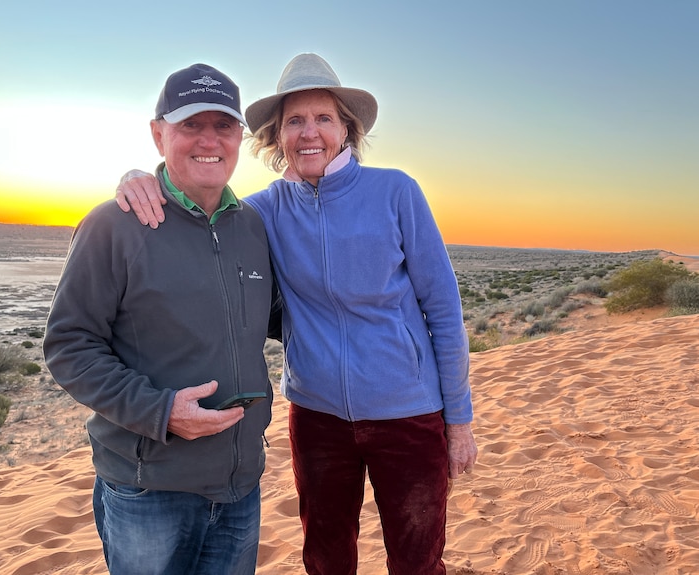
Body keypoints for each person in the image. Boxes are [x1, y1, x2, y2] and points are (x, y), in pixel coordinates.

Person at [116, 53, 478, 575]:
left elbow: (444, 311)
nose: (310, 133)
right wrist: (135, 177)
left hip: (409, 412)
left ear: (346, 130)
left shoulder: (396, 192)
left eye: (323, 118)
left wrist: (459, 421)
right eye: (295, 121)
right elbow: (195, 209)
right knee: (326, 558)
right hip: (317, 416)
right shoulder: (262, 211)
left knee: (418, 558)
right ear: (277, 136)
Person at [44, 62, 281, 575]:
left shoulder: (253, 227)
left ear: (240, 136)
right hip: (149, 489)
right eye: (190, 125)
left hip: (241, 487)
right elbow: (70, 345)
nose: (209, 140)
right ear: (158, 135)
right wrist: (160, 411)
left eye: (223, 126)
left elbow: (283, 317)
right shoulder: (115, 225)